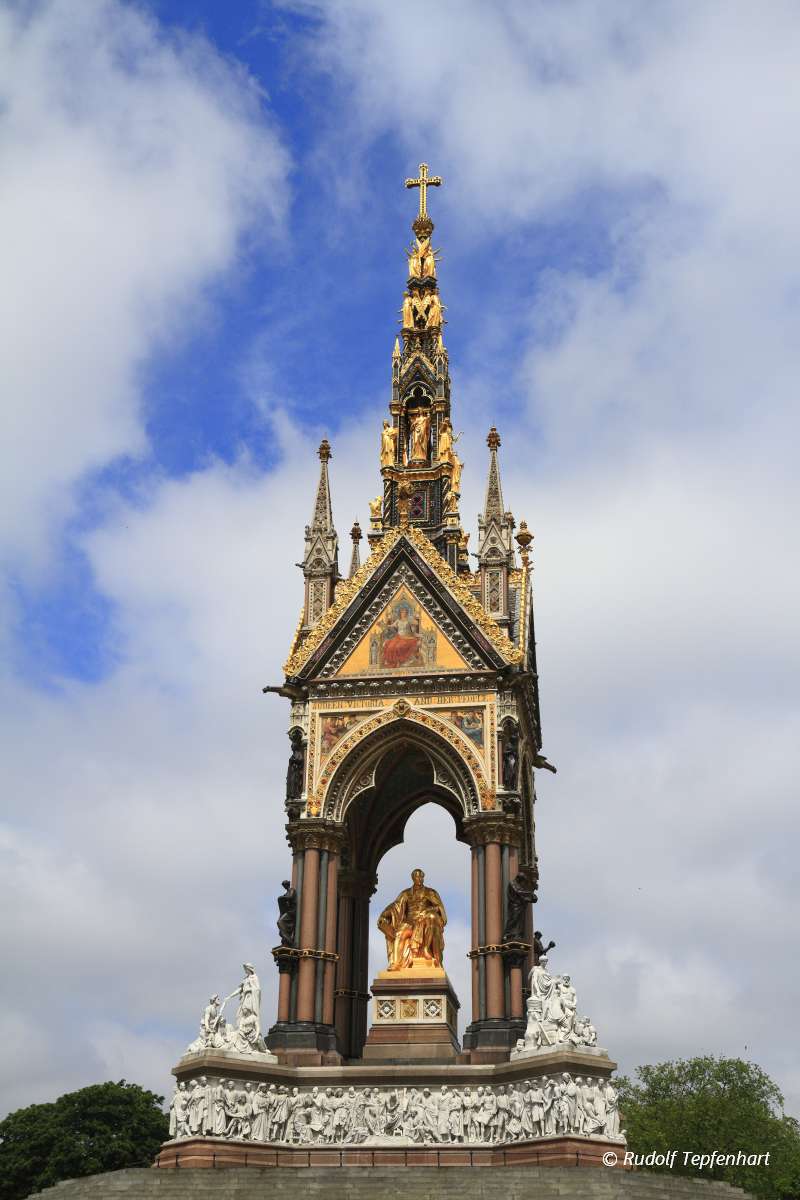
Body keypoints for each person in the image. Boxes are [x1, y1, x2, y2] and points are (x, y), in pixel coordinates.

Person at [377, 868, 447, 970]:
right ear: (413, 878)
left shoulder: (430, 892)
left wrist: (428, 911)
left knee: (431, 918)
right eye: (417, 876)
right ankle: (396, 963)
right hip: (409, 921)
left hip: (424, 920)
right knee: (399, 934)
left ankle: (426, 948)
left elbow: (439, 908)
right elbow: (395, 906)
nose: (419, 878)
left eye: (421, 876)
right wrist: (384, 915)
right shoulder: (405, 893)